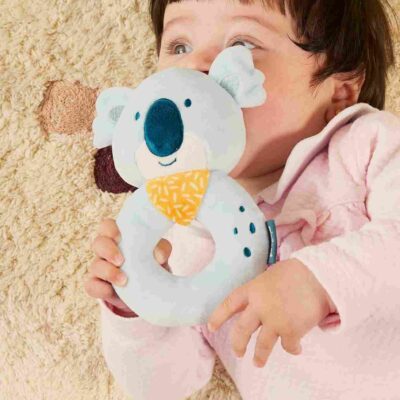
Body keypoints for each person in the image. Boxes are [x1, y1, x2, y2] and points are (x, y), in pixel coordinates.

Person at [84, 0, 400, 399]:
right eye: (179, 46)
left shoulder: (366, 146)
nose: (195, 66)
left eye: (241, 44)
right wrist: (135, 306)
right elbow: (164, 386)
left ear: (339, 91)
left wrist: (320, 280)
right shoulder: (183, 232)